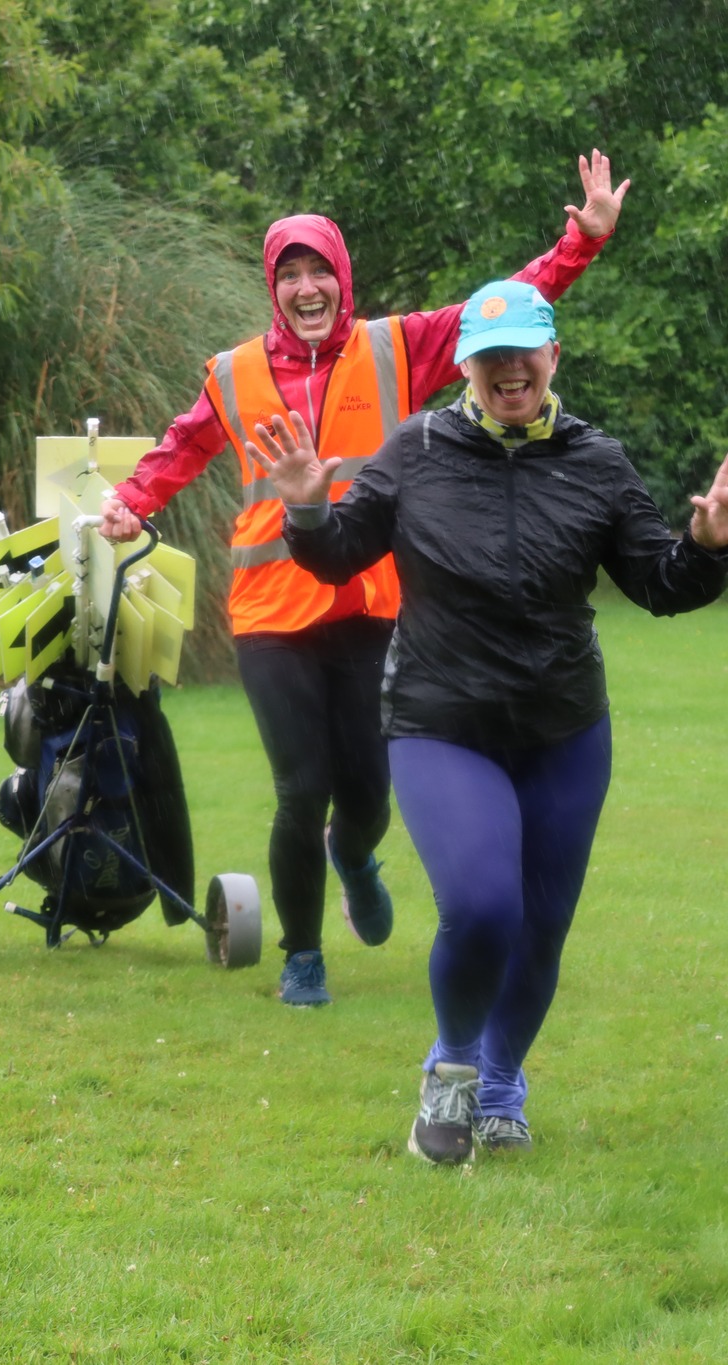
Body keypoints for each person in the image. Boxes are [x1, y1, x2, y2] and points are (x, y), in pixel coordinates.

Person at [249, 278, 728, 1162]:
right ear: (466, 367)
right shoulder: (416, 449)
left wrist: (707, 545)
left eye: (523, 352)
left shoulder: (596, 461)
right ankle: (452, 1068)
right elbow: (338, 555)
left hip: (564, 730)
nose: (509, 371)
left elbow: (659, 582)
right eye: (489, 357)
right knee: (483, 905)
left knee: (541, 924)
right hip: (441, 723)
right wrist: (306, 505)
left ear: (553, 355)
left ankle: (500, 1083)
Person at [100, 154, 631, 1010]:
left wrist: (583, 242)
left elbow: (503, 310)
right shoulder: (233, 372)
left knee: (366, 796)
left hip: (376, 605)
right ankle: (303, 955)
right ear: (273, 289)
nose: (306, 287)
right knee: (299, 787)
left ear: (342, 278)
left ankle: (353, 856)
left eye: (319, 270)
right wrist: (131, 502)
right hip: (271, 614)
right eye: (290, 274)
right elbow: (182, 445)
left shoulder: (397, 346)